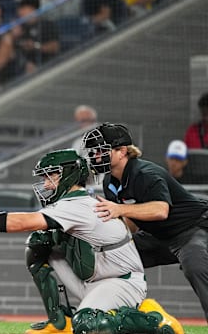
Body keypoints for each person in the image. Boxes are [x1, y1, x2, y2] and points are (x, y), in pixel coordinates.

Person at [0, 149, 184, 334]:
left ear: (69, 175)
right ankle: (59, 321)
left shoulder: (79, 204)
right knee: (40, 242)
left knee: (85, 325)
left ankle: (152, 319)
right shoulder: (71, 203)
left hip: (122, 282)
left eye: (51, 176)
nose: (47, 183)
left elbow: (26, 221)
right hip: (94, 276)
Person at [81, 123, 208, 322]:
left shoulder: (145, 173)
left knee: (195, 267)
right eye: (94, 152)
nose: (96, 156)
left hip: (192, 229)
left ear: (122, 151)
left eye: (101, 151)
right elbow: (131, 224)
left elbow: (160, 210)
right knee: (112, 259)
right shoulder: (110, 182)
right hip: (158, 236)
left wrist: (119, 210)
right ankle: (121, 318)